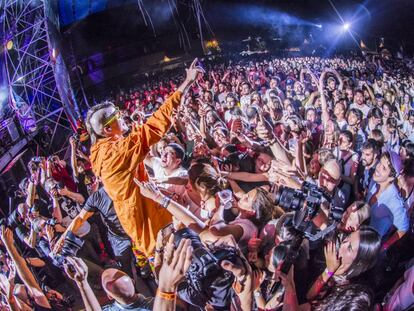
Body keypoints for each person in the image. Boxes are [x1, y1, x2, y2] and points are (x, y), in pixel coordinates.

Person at [85, 59, 203, 256]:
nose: (122, 117)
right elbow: (153, 128)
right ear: (107, 129)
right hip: (149, 221)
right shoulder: (116, 152)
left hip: (143, 216)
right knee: (178, 264)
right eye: (118, 117)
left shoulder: (99, 150)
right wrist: (186, 83)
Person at [366, 151, 409, 249]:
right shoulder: (374, 181)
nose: (378, 168)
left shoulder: (394, 201)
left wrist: (384, 246)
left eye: (384, 168)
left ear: (391, 178)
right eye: (380, 163)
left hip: (372, 246)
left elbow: (403, 227)